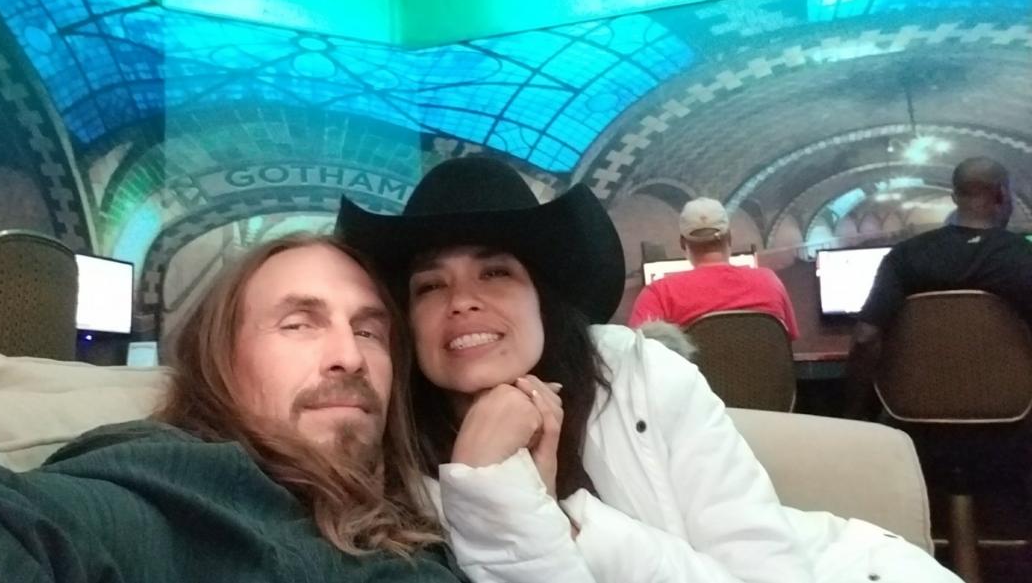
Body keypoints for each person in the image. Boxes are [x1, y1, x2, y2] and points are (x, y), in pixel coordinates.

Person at [337, 156, 961, 583]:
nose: (461, 301)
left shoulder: (644, 376)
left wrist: (566, 519)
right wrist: (493, 492)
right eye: (429, 286)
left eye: (495, 272)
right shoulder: (381, 454)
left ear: (543, 300)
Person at [0, 235, 464, 583]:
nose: (348, 356)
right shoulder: (184, 489)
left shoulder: (427, 502)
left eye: (369, 331)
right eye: (299, 323)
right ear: (222, 362)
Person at [847, 157, 1032, 418]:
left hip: (918, 422)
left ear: (955, 197)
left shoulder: (905, 256)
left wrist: (856, 414)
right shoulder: (1023, 256)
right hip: (1013, 420)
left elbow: (865, 337)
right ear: (1002, 194)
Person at [628, 197, 800, 340]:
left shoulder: (659, 293)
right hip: (764, 373)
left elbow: (639, 352)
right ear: (729, 238)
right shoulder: (769, 282)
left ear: (683, 243)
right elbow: (788, 338)